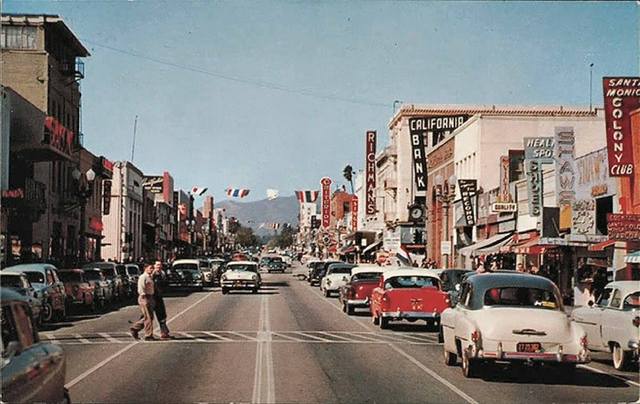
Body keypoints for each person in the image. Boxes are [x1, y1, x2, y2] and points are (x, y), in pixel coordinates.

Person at [130, 264, 156, 341]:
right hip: (144, 297)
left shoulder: (150, 277)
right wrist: (143, 296)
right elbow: (141, 287)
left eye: (152, 268)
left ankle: (135, 328)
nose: (152, 269)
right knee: (148, 317)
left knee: (148, 317)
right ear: (145, 269)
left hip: (150, 297)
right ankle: (148, 335)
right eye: (150, 268)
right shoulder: (143, 277)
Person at [153, 260, 173, 339]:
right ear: (154, 266)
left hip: (159, 296)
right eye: (157, 265)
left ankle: (164, 332)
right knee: (146, 317)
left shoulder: (163, 274)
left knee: (162, 315)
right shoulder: (152, 274)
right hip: (152, 297)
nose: (159, 266)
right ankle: (136, 328)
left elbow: (165, 283)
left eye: (160, 265)